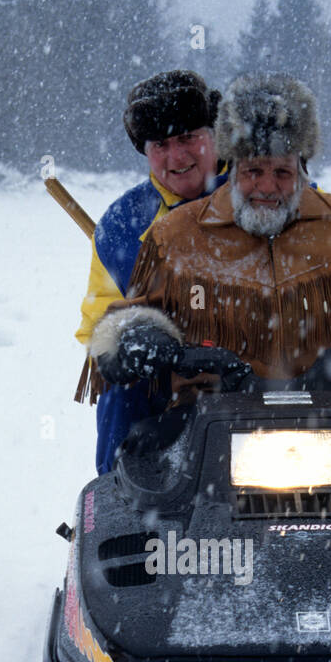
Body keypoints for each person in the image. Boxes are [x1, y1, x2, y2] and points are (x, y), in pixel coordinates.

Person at [83, 74, 331, 431]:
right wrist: (136, 336)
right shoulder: (172, 236)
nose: (266, 187)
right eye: (253, 172)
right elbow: (137, 309)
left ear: (302, 171)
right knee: (139, 471)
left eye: (281, 173)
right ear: (231, 171)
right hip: (207, 415)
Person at [74, 69, 226, 473]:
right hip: (173, 387)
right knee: (120, 389)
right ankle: (120, 506)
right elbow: (97, 323)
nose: (177, 157)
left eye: (188, 138)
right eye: (161, 144)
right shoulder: (121, 226)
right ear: (145, 150)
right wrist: (125, 339)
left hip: (275, 374)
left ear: (214, 134)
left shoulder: (268, 189)